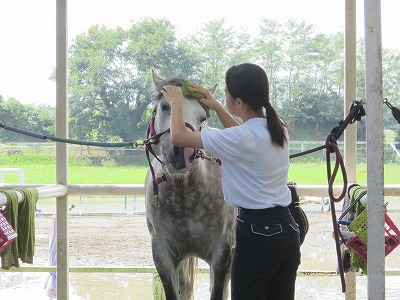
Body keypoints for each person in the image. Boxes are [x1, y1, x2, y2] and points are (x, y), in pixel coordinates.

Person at [161, 63, 301, 300]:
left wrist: (176, 104)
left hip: (257, 234)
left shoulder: (239, 137)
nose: (223, 96)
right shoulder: (278, 128)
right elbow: (243, 134)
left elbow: (179, 136)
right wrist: (215, 105)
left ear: (238, 102)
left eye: (225, 93)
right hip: (287, 231)